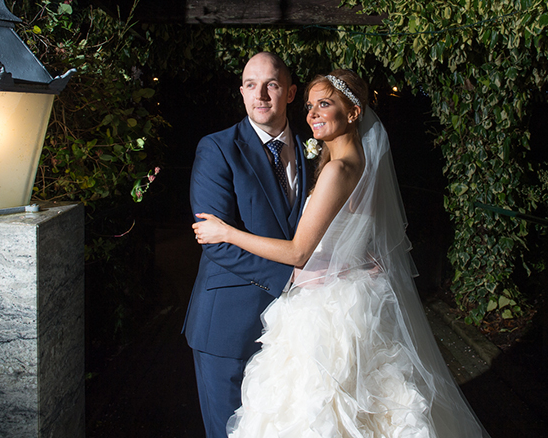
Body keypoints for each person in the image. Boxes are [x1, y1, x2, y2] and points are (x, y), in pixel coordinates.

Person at [194, 70, 490, 437]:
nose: (313, 114)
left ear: (353, 112)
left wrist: (227, 232)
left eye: (324, 104)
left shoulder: (336, 170)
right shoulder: (359, 162)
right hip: (351, 294)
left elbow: (299, 252)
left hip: (325, 307)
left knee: (314, 407)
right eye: (310, 106)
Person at [184, 52, 311, 438]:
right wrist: (290, 277)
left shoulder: (312, 151)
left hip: (295, 329)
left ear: (290, 93)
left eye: (271, 85)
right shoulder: (217, 148)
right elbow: (216, 243)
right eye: (251, 85)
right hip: (228, 324)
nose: (261, 95)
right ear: (241, 92)